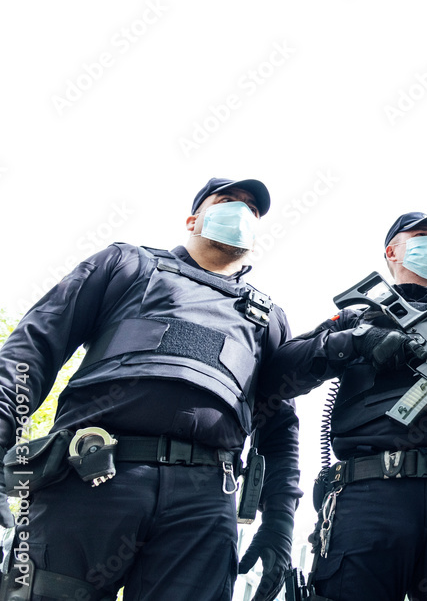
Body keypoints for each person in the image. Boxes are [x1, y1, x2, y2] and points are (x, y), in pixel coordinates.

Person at [0, 177, 302, 601]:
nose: (242, 212)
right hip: (89, 478)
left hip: (205, 504)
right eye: (228, 200)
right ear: (193, 218)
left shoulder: (267, 319)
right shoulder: (126, 265)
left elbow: (281, 429)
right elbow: (32, 348)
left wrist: (278, 525)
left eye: (252, 209)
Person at [267, 212, 427, 601]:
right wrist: (357, 341)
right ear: (391, 251)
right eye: (421, 235)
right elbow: (279, 373)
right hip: (369, 498)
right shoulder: (357, 315)